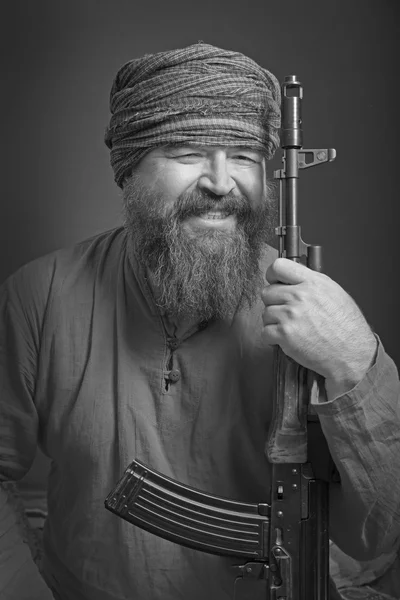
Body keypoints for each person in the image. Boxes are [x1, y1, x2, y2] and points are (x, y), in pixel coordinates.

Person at [0, 42, 399, 600]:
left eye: (243, 155)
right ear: (129, 169)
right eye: (187, 152)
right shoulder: (38, 296)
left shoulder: (312, 314)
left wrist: (357, 363)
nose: (219, 181)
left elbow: (380, 536)